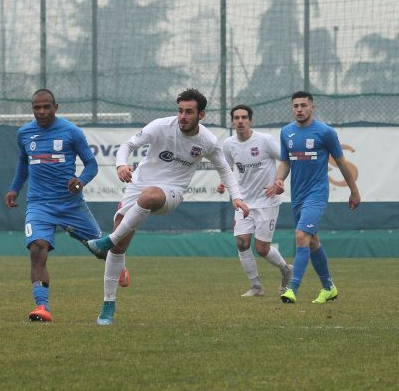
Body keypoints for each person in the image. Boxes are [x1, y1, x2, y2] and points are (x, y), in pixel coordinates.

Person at [86, 88, 250, 325]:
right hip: (137, 185)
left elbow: (224, 168)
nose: (183, 116)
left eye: (189, 112)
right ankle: (108, 306)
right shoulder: (160, 126)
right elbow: (127, 146)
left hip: (171, 192)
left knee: (149, 198)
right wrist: (121, 165)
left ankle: (107, 241)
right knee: (120, 247)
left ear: (201, 115)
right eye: (181, 110)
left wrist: (237, 197)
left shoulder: (208, 141)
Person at [5, 88, 118, 323]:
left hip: (70, 205)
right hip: (39, 205)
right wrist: (14, 188)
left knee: (100, 250)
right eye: (37, 107)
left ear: (56, 108)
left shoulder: (71, 132)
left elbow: (91, 165)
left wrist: (81, 181)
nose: (42, 111)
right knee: (37, 249)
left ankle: (117, 265)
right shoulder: (24, 133)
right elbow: (23, 164)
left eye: (47, 107)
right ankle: (42, 307)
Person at [266, 91, 360, 304]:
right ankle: (328, 288)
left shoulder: (325, 132)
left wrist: (354, 191)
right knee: (312, 241)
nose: (299, 109)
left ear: (312, 107)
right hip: (297, 196)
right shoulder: (286, 132)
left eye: (303, 105)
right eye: (295, 106)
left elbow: (342, 163)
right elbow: (285, 162)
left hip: (317, 194)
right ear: (292, 108)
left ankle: (292, 289)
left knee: (301, 236)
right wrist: (279, 180)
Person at [217, 104, 292, 297]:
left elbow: (286, 160)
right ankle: (256, 286)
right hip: (244, 202)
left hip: (267, 202)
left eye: (244, 117)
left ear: (250, 120)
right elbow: (226, 169)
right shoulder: (229, 145)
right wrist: (222, 183)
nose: (240, 121)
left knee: (262, 249)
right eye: (236, 118)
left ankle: (286, 269)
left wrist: (278, 181)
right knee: (241, 243)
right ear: (232, 121)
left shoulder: (265, 141)